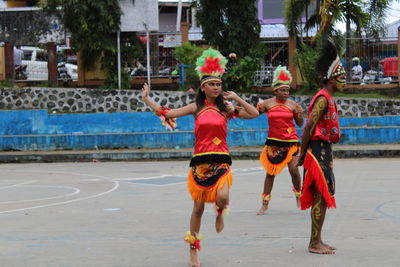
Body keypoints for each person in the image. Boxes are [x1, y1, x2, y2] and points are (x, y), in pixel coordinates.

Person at [141, 48, 259, 267]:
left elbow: (254, 114)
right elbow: (167, 113)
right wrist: (147, 99)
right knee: (197, 209)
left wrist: (236, 98)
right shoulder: (196, 107)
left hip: (222, 160)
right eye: (212, 84)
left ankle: (220, 212)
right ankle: (193, 250)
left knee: (223, 196)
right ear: (203, 87)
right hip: (200, 162)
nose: (216, 88)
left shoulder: (226, 109)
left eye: (218, 84)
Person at [297, 39, 346, 255]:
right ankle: (313, 243)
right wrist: (302, 153)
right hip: (317, 151)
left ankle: (317, 239)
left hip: (324, 150)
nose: (344, 80)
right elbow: (308, 126)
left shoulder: (328, 97)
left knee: (323, 196)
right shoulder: (323, 99)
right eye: (341, 77)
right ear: (331, 79)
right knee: (320, 195)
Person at [256, 66, 304, 215]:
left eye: (287, 90)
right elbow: (252, 114)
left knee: (294, 170)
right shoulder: (267, 104)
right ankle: (265, 204)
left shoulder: (293, 105)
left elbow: (300, 124)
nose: (286, 93)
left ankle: (298, 196)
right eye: (283, 90)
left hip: (291, 142)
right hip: (274, 143)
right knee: (270, 174)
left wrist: (300, 115)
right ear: (275, 91)